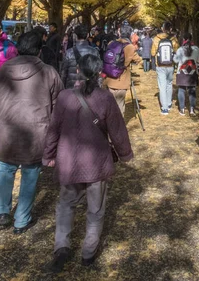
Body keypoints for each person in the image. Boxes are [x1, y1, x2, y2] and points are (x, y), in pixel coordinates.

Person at [43, 53, 133, 272]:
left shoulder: (64, 97)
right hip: (97, 163)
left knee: (66, 205)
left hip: (69, 161)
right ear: (100, 74)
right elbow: (117, 130)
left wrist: (48, 155)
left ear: (77, 71)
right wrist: (125, 154)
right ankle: (88, 253)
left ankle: (62, 248)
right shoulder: (105, 98)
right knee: (96, 210)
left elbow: (53, 129)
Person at [0, 31, 63, 233]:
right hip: (37, 132)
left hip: (7, 131)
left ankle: (1, 213)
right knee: (30, 174)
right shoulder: (49, 72)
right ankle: (22, 219)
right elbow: (59, 106)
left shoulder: (3, 71)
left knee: (5, 170)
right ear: (40, 51)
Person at [103, 25, 141, 115]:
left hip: (109, 79)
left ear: (119, 33)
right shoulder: (130, 47)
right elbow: (138, 60)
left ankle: (110, 126)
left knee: (110, 106)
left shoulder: (111, 43)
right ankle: (118, 127)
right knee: (119, 107)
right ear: (130, 35)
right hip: (122, 80)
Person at [151, 22, 180, 115]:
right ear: (170, 29)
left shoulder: (156, 39)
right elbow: (177, 51)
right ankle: (169, 103)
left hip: (160, 66)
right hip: (170, 65)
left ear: (162, 28)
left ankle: (164, 108)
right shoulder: (173, 39)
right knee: (169, 84)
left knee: (162, 86)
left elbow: (152, 53)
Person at [61, 24, 100, 89]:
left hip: (72, 88)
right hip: (89, 89)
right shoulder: (94, 52)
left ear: (75, 36)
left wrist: (63, 89)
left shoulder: (69, 52)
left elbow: (64, 73)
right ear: (87, 35)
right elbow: (98, 72)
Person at [173, 33, 199, 116]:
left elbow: (175, 60)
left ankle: (182, 109)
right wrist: (198, 70)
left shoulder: (180, 49)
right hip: (192, 72)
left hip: (182, 72)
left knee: (181, 90)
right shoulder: (197, 49)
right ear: (191, 39)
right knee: (192, 90)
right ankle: (192, 109)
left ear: (183, 39)